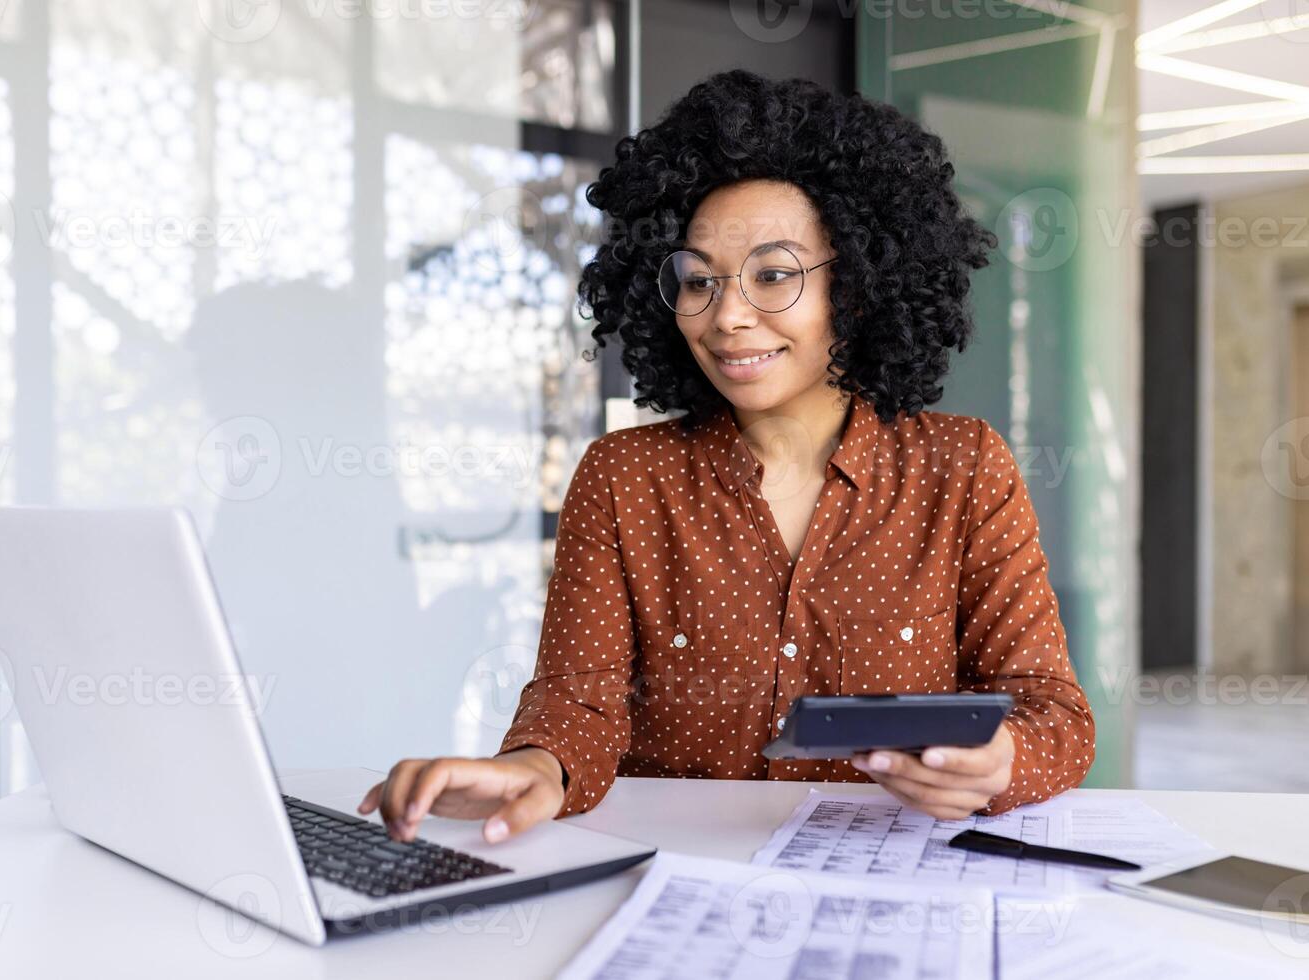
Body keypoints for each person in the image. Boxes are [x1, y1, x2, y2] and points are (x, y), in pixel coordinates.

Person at [359, 69, 1095, 844]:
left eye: (773, 276)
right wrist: (538, 768)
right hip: (676, 881)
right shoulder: (624, 479)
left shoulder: (963, 468)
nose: (728, 317)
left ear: (858, 285)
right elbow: (578, 706)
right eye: (699, 281)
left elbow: (1053, 713)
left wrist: (1002, 760)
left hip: (886, 890)